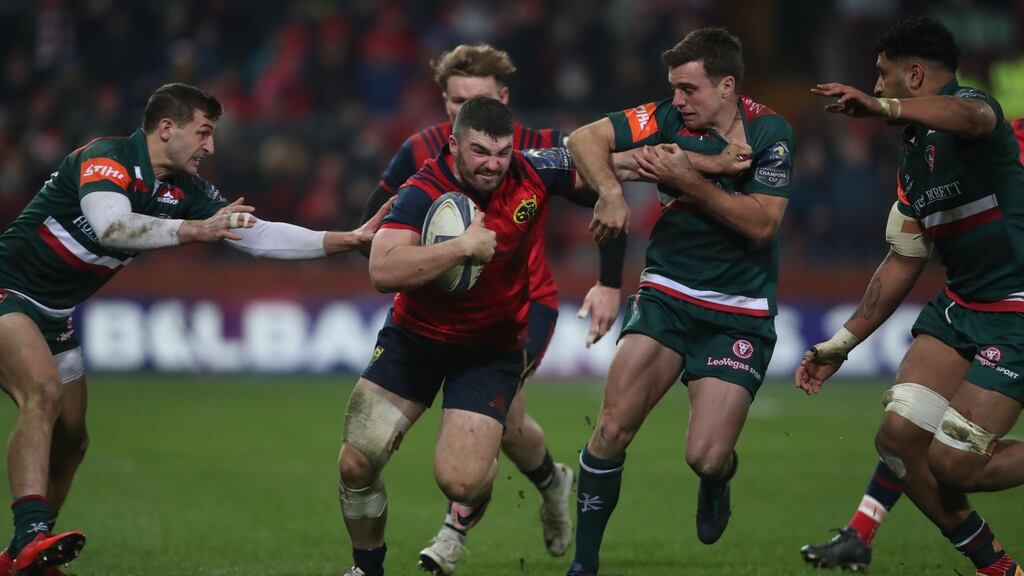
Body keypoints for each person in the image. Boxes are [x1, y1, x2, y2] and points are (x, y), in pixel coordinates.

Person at [0, 82, 392, 576]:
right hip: (7, 291)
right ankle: (28, 536)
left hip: (54, 314)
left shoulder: (183, 191)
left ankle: (32, 559)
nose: (211, 147)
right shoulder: (106, 159)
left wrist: (347, 239)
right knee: (42, 392)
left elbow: (256, 233)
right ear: (166, 129)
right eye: (204, 133)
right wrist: (192, 230)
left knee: (73, 440)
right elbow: (111, 227)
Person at [335, 96, 657, 576]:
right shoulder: (423, 188)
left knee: (461, 482)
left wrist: (689, 166)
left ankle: (508, 500)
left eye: (501, 152)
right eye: (480, 151)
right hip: (414, 338)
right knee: (356, 464)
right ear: (454, 145)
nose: (492, 164)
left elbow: (620, 164)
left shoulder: (530, 171)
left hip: (490, 348)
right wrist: (461, 247)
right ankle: (367, 568)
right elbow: (383, 268)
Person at [797, 16, 1024, 576]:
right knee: (898, 440)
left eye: (882, 75)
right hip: (960, 308)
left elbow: (971, 115)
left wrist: (882, 108)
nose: (874, 87)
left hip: (1015, 311)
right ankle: (997, 568)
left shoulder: (972, 109)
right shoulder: (911, 154)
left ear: (915, 74)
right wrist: (842, 342)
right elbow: (903, 260)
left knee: (954, 465)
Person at [564, 27, 792, 576]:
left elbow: (761, 224)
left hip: (739, 307)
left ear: (726, 86)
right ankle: (584, 564)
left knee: (704, 455)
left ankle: (718, 479)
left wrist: (687, 178)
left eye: (689, 89)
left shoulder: (770, 132)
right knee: (612, 427)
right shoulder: (668, 118)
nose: (679, 101)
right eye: (674, 89)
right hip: (667, 291)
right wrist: (614, 191)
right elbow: (584, 139)